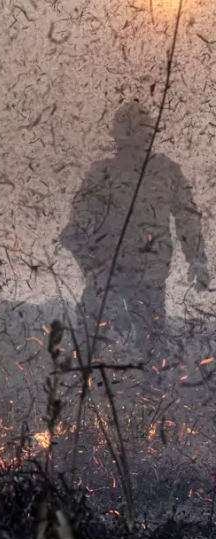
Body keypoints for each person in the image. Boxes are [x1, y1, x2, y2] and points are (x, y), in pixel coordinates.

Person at [60, 101, 210, 364]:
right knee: (86, 357)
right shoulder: (103, 173)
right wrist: (96, 273)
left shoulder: (165, 171)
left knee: (152, 357)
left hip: (143, 280)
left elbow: (187, 217)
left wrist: (197, 259)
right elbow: (73, 234)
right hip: (111, 280)